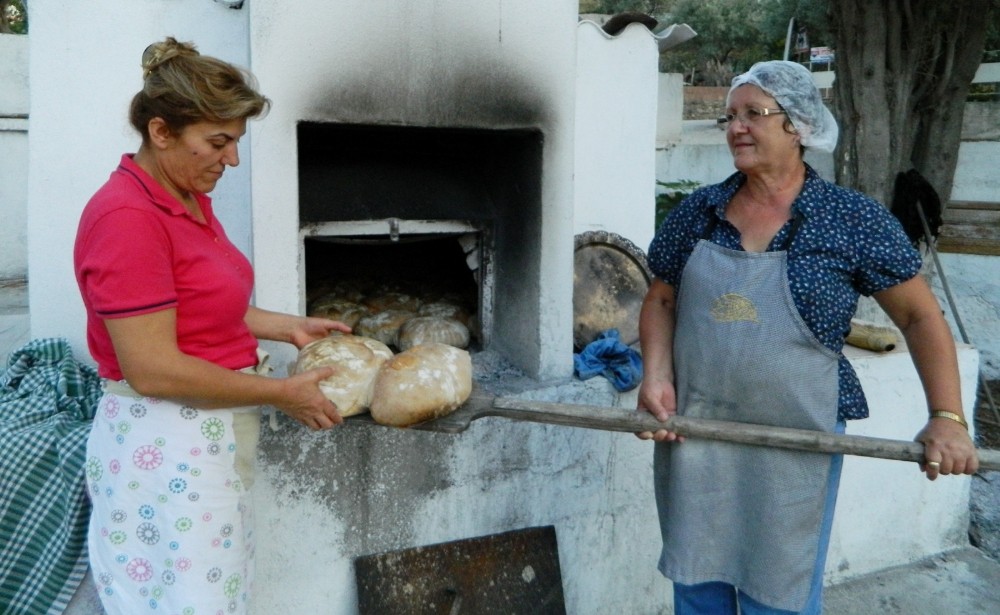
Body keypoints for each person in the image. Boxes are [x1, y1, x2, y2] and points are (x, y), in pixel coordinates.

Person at [636, 60, 979, 615]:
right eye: (730, 116)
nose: (736, 128)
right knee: (698, 584)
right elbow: (661, 299)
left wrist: (948, 418)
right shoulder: (700, 210)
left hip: (797, 437)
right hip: (698, 426)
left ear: (797, 125)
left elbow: (920, 318)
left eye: (753, 114)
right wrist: (656, 377)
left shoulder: (849, 219)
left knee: (780, 593)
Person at [73, 37, 349, 614]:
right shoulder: (128, 218)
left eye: (236, 143)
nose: (232, 161)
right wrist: (281, 394)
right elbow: (153, 369)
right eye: (218, 143)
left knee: (214, 597)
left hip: (207, 434)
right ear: (161, 131)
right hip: (165, 442)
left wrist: (290, 328)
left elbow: (203, 304)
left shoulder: (184, 196)